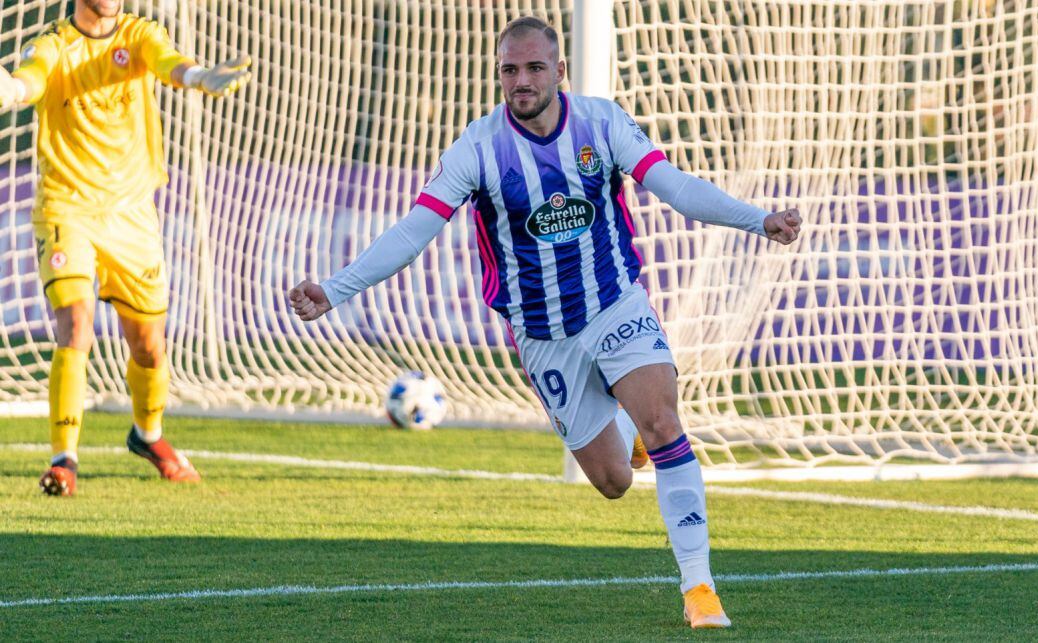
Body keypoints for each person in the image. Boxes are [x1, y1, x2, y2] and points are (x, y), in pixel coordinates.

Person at [288, 16, 800, 629]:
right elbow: (413, 232)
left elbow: (674, 186)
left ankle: (699, 589)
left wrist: (757, 219)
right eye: (510, 70)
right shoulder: (477, 147)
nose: (521, 81)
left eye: (534, 68)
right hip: (541, 335)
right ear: (499, 74)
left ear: (559, 71)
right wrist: (335, 290)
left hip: (614, 304)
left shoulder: (602, 122)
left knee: (665, 422)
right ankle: (623, 421)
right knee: (613, 481)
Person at [0, 0, 252, 496]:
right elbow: (29, 79)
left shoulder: (138, 35)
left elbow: (169, 64)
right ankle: (63, 460)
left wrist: (201, 77)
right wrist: (9, 89)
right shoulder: (53, 44)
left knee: (149, 347)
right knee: (76, 323)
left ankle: (147, 435)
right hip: (66, 208)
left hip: (132, 214)